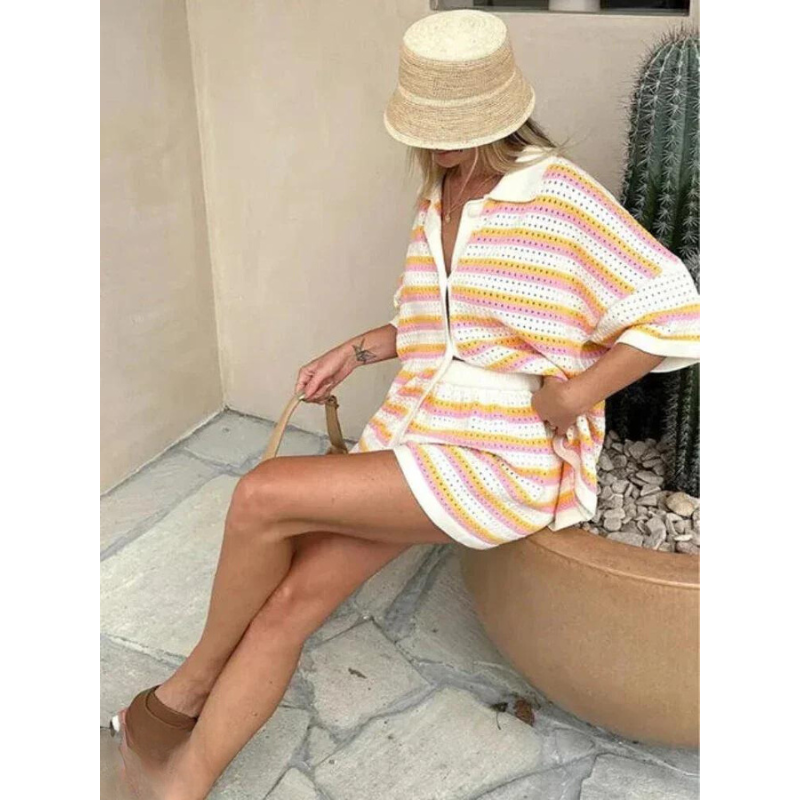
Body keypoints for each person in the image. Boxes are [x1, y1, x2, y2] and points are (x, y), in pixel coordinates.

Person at [112, 9, 700, 799]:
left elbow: (676, 308)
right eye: (428, 127)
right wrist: (355, 351)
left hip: (500, 456)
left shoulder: (556, 194)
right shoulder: (443, 193)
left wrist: (579, 394)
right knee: (290, 603)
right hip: (427, 428)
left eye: (453, 126)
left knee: (261, 495)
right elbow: (445, 327)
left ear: (498, 111)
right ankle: (180, 782)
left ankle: (182, 694)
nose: (438, 144)